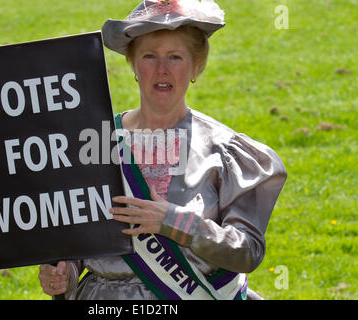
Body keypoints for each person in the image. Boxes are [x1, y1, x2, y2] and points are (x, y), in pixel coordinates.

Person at [38, 0, 287, 300]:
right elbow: (80, 242)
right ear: (133, 64)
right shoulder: (95, 144)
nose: (161, 70)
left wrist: (175, 222)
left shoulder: (224, 150)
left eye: (175, 57)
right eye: (149, 56)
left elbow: (247, 252)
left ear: (197, 66)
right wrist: (65, 275)